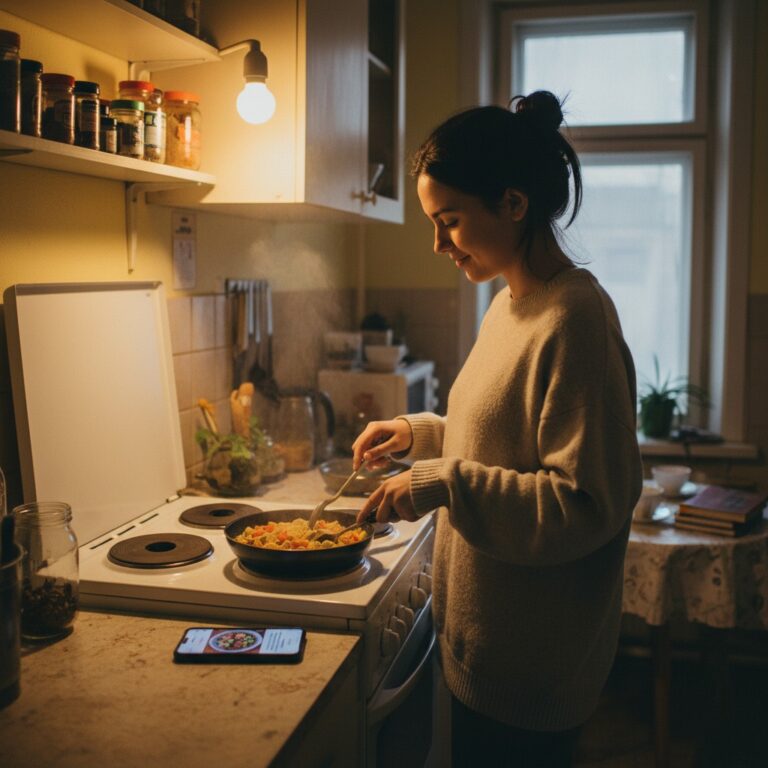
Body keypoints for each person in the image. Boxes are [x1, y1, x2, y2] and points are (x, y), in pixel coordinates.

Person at [353, 92, 643, 767]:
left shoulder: (576, 319)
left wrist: (445, 480)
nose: (438, 244)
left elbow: (585, 503)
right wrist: (419, 434)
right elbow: (505, 433)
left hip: (534, 670)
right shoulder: (508, 303)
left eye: (449, 220)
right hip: (485, 651)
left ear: (513, 204)